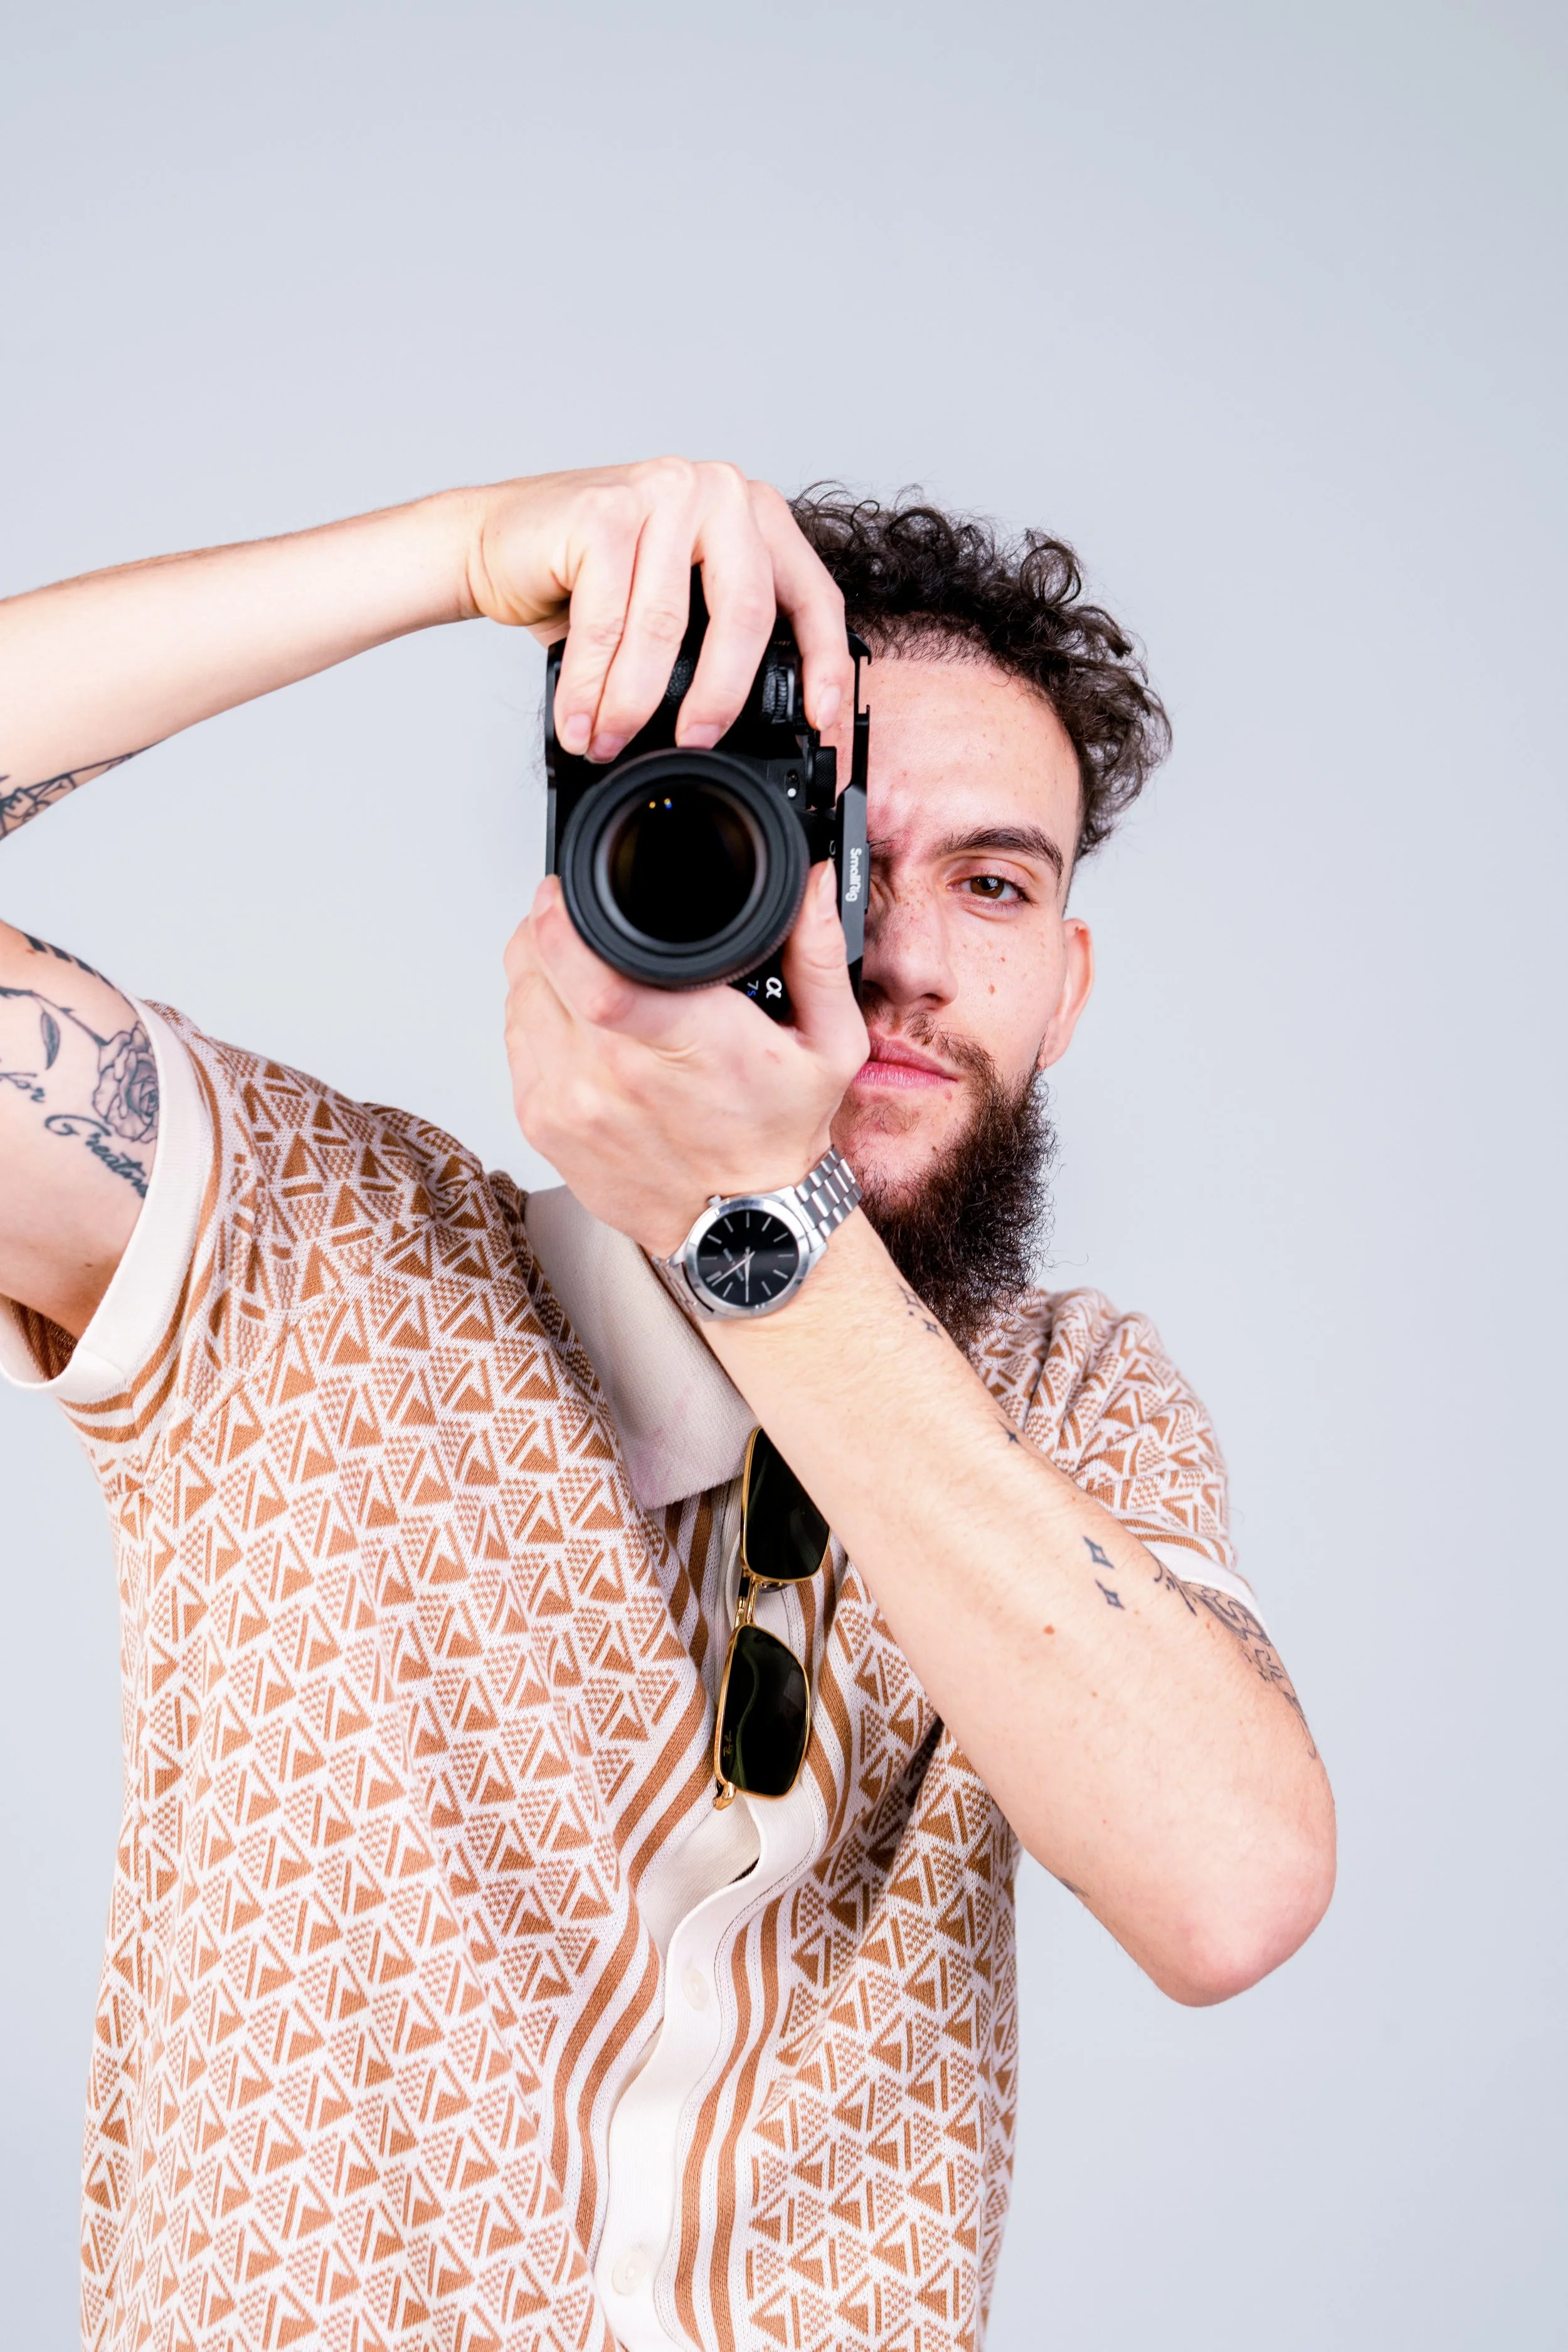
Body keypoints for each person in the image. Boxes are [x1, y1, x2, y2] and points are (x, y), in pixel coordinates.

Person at [0, 459, 1335, 2352]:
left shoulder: (1070, 1407)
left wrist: (759, 1235)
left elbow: (1229, 1884)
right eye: (830, 845)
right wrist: (449, 558)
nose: (902, 953)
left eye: (993, 881)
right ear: (656, 858)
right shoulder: (299, 1253)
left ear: (1067, 979)